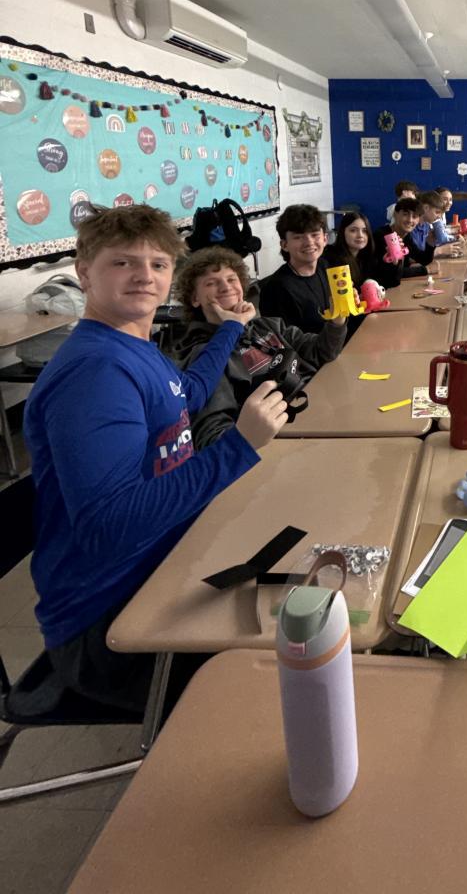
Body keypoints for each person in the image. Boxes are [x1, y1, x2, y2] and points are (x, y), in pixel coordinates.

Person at [23, 205, 287, 711]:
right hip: (110, 621)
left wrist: (229, 330)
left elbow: (186, 393)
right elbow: (110, 526)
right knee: (291, 675)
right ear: (84, 272)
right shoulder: (95, 373)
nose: (145, 275)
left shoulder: (133, 345)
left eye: (158, 264)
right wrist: (237, 448)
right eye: (123, 262)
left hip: (165, 566)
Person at [166, 247, 346, 447]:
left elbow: (322, 351)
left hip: (320, 413)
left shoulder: (267, 326)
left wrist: (337, 321)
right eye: (211, 283)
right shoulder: (205, 357)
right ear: (194, 299)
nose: (226, 287)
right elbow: (213, 437)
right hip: (282, 443)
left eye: (231, 279)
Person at [258, 205, 347, 345]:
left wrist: (348, 303)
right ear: (284, 245)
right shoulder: (275, 290)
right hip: (311, 357)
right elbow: (287, 346)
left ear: (325, 239)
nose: (309, 242)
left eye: (315, 235)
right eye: (298, 237)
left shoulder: (326, 267)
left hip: (338, 345)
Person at [372, 197, 433, 286]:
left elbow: (423, 259)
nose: (410, 220)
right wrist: (425, 270)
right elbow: (390, 273)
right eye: (405, 214)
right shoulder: (382, 236)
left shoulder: (406, 236)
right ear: (395, 214)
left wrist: (430, 243)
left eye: (414, 216)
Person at [409, 190, 463, 258]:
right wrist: (440, 250)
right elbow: (413, 257)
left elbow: (425, 250)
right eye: (437, 212)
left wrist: (433, 243)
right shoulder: (411, 227)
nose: (439, 217)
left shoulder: (425, 225)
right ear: (426, 208)